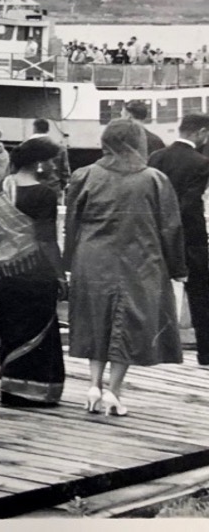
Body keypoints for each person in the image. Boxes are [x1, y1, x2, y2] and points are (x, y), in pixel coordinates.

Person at [65, 120, 186, 416]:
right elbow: (171, 227)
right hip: (140, 259)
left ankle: (93, 386)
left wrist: (69, 262)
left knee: (96, 320)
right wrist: (177, 267)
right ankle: (113, 391)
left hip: (92, 258)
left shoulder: (85, 176)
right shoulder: (154, 179)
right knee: (129, 324)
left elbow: (72, 223)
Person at [0, 138, 66, 407]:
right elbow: (46, 240)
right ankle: (38, 392)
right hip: (35, 270)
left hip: (2, 272)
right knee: (38, 332)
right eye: (52, 161)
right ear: (40, 163)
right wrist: (60, 275)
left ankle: (10, 390)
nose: (55, 166)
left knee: (12, 331)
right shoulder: (44, 194)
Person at [148, 113, 209, 368]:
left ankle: (152, 349)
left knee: (154, 293)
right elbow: (189, 202)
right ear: (202, 132)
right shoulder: (201, 163)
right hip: (191, 237)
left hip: (156, 234)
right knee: (200, 294)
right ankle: (205, 353)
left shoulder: (156, 157)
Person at [30, 118, 70, 198]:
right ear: (48, 130)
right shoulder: (60, 148)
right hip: (53, 188)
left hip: (31, 188)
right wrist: (60, 186)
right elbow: (65, 172)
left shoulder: (25, 146)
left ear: (34, 129)